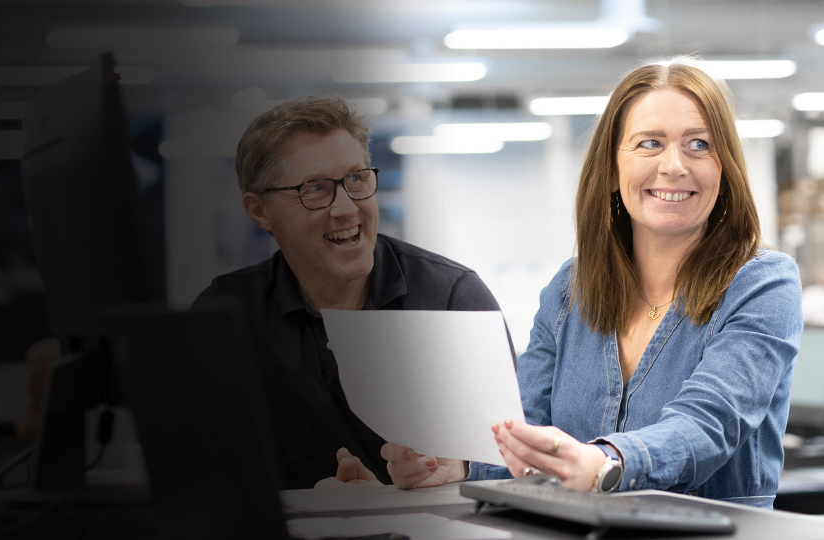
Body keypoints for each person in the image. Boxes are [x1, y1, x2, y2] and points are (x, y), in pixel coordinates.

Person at [388, 59, 803, 508]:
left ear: (724, 171)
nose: (674, 165)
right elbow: (523, 425)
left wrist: (604, 465)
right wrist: (461, 464)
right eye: (649, 143)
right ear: (610, 171)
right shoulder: (571, 289)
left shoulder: (761, 283)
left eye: (699, 144)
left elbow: (708, 426)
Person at [191, 97, 504, 490]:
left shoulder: (451, 297)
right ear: (259, 211)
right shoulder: (226, 315)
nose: (346, 208)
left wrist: (457, 467)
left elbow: (514, 458)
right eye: (316, 189)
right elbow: (200, 471)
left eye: (357, 179)